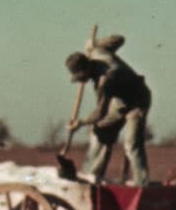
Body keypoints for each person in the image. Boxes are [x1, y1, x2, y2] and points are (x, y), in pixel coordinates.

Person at [65, 32, 152, 190]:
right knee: (100, 130)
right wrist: (96, 43)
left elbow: (100, 113)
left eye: (80, 77)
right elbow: (119, 39)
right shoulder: (97, 51)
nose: (81, 81)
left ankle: (142, 186)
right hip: (120, 102)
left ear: (86, 69)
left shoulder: (106, 80)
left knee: (132, 144)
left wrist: (80, 123)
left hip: (138, 101)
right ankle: (91, 176)